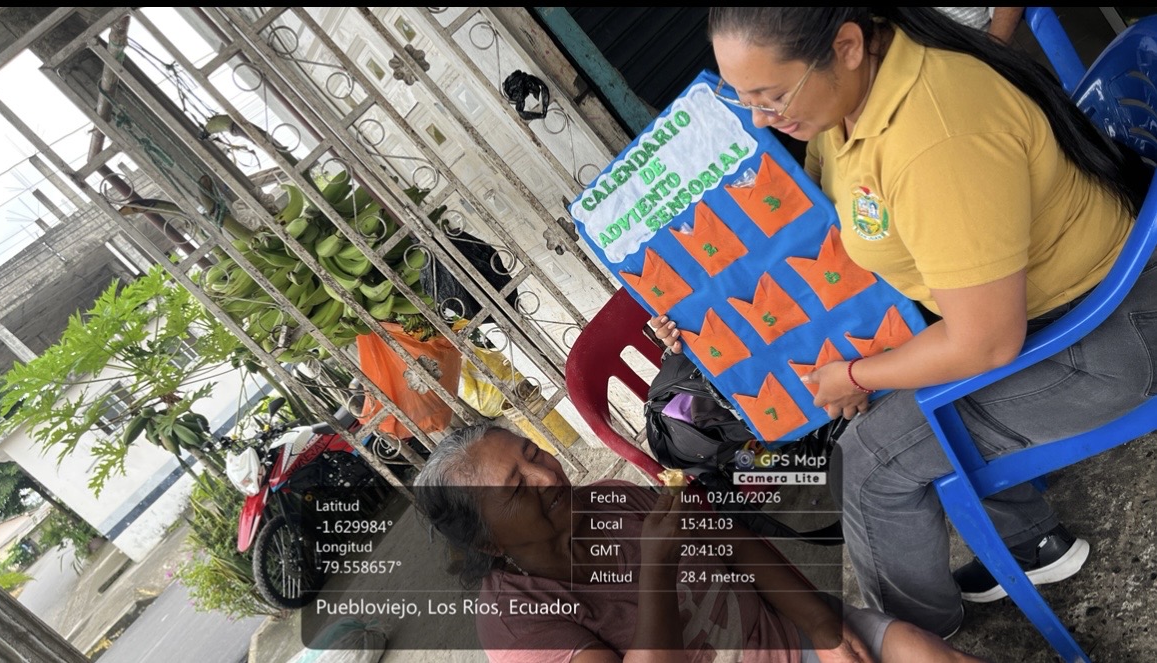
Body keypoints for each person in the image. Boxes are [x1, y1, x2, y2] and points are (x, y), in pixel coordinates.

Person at [649, 7, 1157, 639]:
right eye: (742, 97)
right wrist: (704, 321)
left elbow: (984, 341)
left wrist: (857, 374)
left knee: (868, 465)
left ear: (846, 45)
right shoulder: (849, 105)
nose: (759, 119)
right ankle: (1032, 543)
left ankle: (916, 644)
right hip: (1042, 312)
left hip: (1102, 338)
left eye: (771, 96)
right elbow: (809, 244)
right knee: (894, 403)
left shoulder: (934, 138)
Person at [415, 423, 983, 662]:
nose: (546, 476)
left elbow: (734, 542)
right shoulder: (516, 623)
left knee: (927, 652)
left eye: (534, 453)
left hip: (786, 638)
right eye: (516, 488)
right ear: (488, 542)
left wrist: (822, 628)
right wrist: (657, 569)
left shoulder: (612, 498)